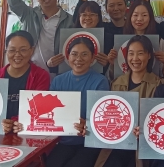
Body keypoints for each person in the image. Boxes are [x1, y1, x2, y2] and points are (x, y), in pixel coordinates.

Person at [12, 37, 109, 167]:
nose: (78, 59)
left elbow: (102, 117)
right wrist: (25, 124)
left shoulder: (100, 81)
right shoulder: (58, 80)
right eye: (74, 54)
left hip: (89, 141)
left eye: (84, 54)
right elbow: (47, 111)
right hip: (63, 141)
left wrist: (88, 124)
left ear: (92, 58)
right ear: (68, 57)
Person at [95, 35, 164, 167]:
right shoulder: (116, 83)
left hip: (142, 146)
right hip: (116, 144)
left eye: (140, 53)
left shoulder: (158, 85)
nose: (135, 59)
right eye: (131, 54)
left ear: (149, 56)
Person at [7, 0, 74, 75]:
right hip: (30, 72)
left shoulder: (69, 20)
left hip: (58, 73)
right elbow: (12, 0)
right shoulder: (28, 14)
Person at [46, 0, 110, 74]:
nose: (87, 18)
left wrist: (107, 64)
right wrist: (50, 64)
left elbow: (111, 69)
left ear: (99, 18)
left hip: (97, 79)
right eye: (84, 15)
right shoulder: (68, 36)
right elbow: (62, 64)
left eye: (92, 14)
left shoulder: (107, 38)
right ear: (78, 17)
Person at [107, 0, 164, 78]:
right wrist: (112, 64)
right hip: (125, 84)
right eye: (135, 15)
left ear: (150, 18)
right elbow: (112, 76)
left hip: (152, 84)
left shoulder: (159, 42)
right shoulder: (120, 41)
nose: (139, 19)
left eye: (144, 15)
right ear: (130, 17)